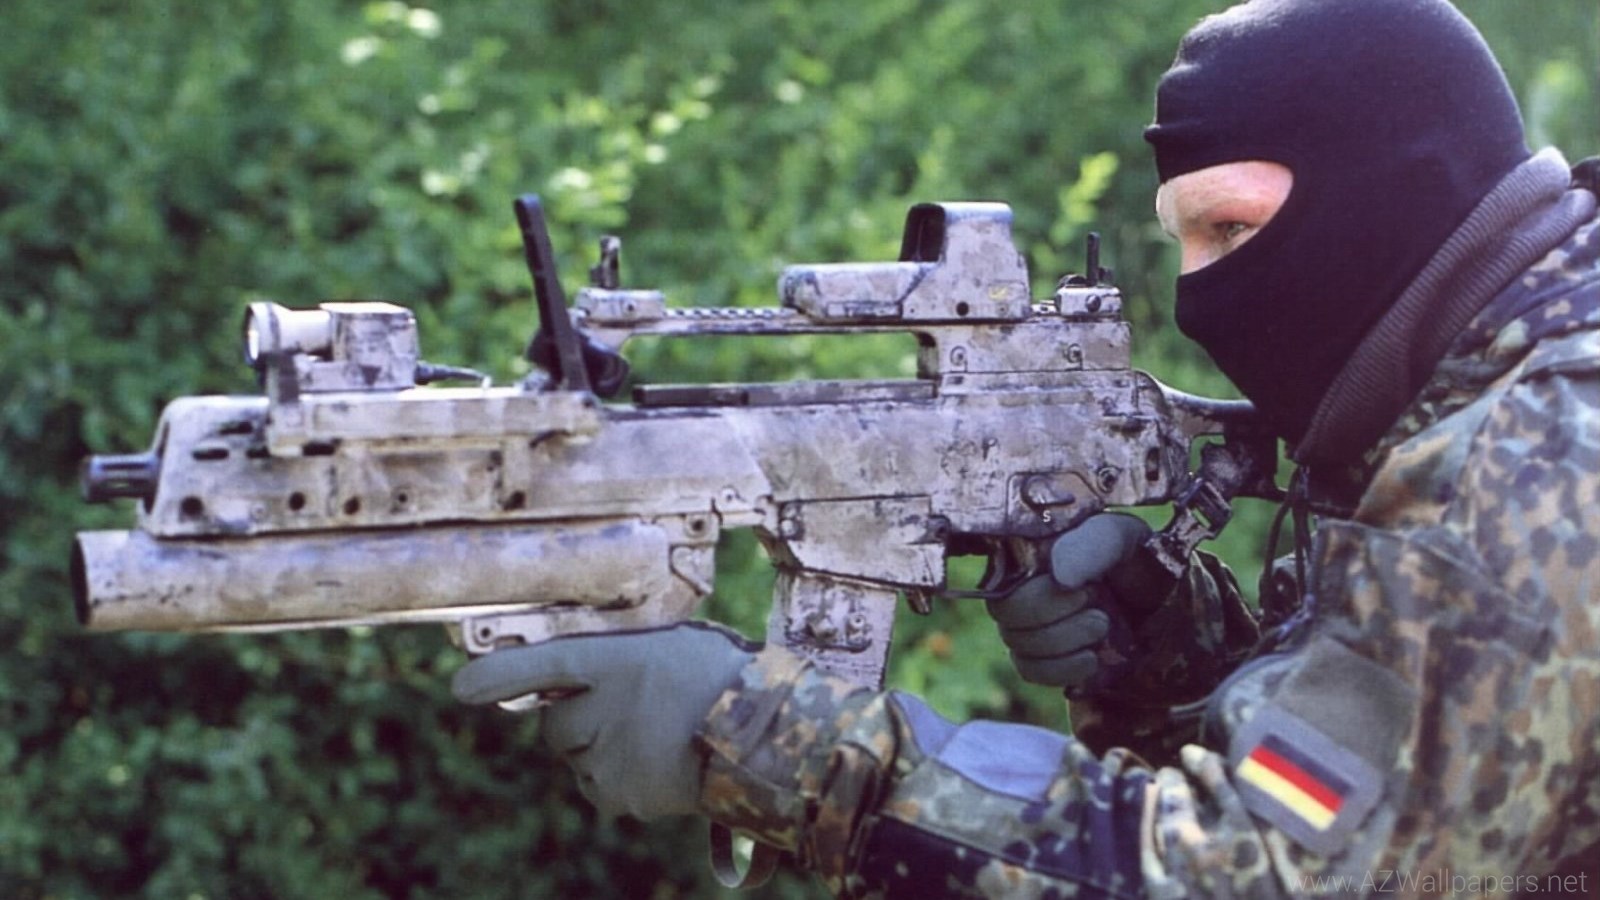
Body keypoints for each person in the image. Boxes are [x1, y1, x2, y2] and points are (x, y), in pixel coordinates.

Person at [454, 0, 1600, 895]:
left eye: (1233, 227)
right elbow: (1433, 790)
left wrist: (756, 737)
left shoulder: (1529, 454)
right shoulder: (1487, 387)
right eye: (1182, 238)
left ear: (1398, 183)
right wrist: (1166, 653)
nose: (1199, 293)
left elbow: (1266, 872)